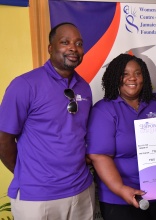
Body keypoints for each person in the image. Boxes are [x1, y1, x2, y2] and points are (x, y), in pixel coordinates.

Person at [0, 22, 95, 220]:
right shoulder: (24, 85)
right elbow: (4, 139)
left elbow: (78, 135)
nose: (73, 48)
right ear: (51, 48)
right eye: (65, 42)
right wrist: (29, 174)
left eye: (78, 43)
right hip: (38, 197)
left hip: (81, 190)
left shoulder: (84, 88)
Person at [86, 53, 156, 220]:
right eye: (125, 73)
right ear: (115, 78)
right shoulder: (104, 111)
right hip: (119, 198)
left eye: (137, 73)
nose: (132, 78)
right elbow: (99, 156)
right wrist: (120, 188)